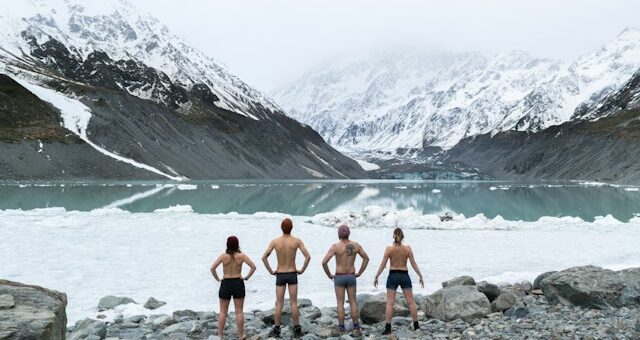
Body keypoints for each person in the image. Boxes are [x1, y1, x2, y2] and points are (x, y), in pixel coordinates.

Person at [262, 218, 311, 338]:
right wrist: (302, 270)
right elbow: (308, 257)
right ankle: (297, 329)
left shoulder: (275, 242)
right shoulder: (297, 241)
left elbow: (264, 257)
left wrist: (271, 271)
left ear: (281, 228)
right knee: (294, 303)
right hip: (292, 273)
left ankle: (277, 330)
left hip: (280, 274)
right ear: (292, 228)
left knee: (279, 304)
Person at [373, 228, 424, 335]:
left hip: (393, 276)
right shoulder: (407, 249)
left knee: (390, 303)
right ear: (403, 237)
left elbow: (383, 264)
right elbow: (413, 264)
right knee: (411, 302)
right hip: (404, 275)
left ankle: (388, 328)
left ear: (393, 236)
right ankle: (416, 325)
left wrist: (376, 276)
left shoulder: (389, 249)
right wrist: (420, 275)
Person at [321, 224, 369, 334]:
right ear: (349, 234)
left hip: (339, 277)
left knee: (340, 303)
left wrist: (329, 275)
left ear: (338, 234)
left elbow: (324, 262)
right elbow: (366, 258)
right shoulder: (356, 245)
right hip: (351, 276)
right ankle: (356, 326)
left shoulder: (335, 247)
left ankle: (342, 328)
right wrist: (360, 273)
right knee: (353, 301)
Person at [210, 236, 257, 340]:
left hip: (226, 283)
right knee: (239, 312)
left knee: (222, 311)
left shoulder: (223, 256)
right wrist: (246, 277)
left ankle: (220, 336)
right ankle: (241, 336)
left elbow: (212, 268)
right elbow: (253, 267)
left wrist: (218, 279)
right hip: (238, 283)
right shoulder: (242, 256)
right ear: (237, 245)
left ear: (227, 245)